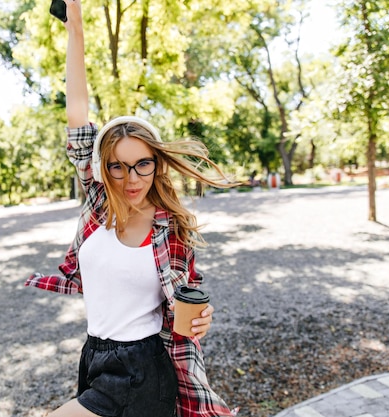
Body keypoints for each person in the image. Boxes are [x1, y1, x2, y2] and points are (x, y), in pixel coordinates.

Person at [26, 1, 238, 416]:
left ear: (156, 163)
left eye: (142, 163)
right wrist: (77, 33)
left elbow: (187, 294)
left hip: (142, 369)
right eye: (118, 167)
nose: (132, 178)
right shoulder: (97, 203)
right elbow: (77, 115)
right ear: (103, 169)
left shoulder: (168, 228)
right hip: (94, 358)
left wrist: (201, 315)